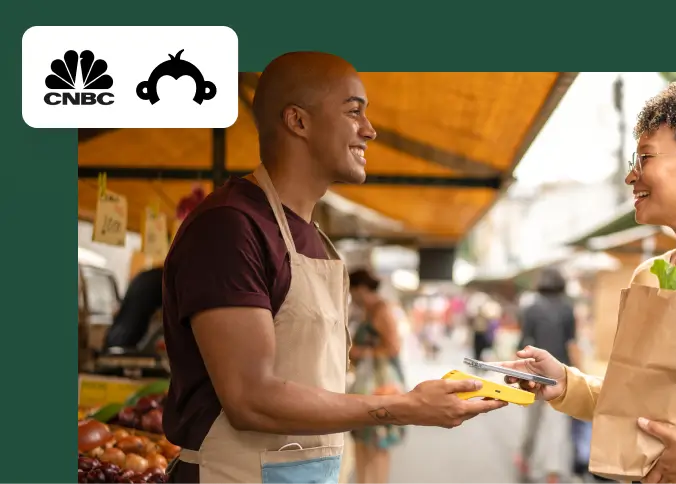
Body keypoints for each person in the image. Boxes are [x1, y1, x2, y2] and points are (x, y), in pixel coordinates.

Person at [160, 51, 507, 484]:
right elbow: (250, 398)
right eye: (353, 111)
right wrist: (406, 407)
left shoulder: (316, 240)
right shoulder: (229, 227)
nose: (370, 130)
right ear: (298, 121)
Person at [498, 81, 676, 484]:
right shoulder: (648, 278)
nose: (631, 175)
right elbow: (637, 398)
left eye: (645, 157)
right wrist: (566, 383)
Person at [514, 268, 577, 484]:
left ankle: (524, 457)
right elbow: (571, 343)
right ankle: (552, 472)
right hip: (560, 373)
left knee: (532, 421)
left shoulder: (531, 308)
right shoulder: (568, 309)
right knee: (557, 425)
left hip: (534, 372)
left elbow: (523, 341)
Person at [347, 269, 406, 484]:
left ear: (361, 289)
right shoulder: (366, 311)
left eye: (352, 291)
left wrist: (361, 352)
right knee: (362, 441)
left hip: (381, 381)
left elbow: (393, 348)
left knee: (378, 442)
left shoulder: (381, 310)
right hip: (367, 381)